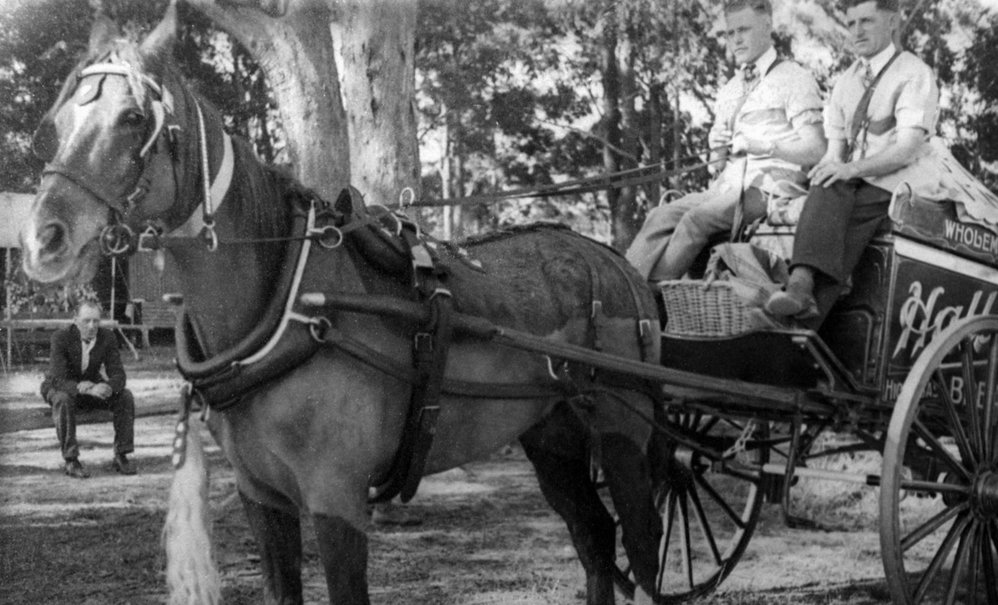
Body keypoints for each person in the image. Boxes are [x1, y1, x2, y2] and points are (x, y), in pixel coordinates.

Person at [626, 0, 825, 283]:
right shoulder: (730, 89)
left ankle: (649, 298)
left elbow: (817, 149)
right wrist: (717, 147)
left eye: (744, 29)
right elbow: (717, 166)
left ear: (767, 26)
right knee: (660, 215)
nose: (736, 40)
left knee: (697, 219)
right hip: (726, 188)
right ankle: (625, 293)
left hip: (771, 189)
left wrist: (767, 147)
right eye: (731, 33)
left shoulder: (795, 78)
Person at [765, 0, 939, 322]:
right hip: (855, 180)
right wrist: (823, 172)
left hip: (902, 180)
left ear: (892, 23)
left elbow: (907, 149)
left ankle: (801, 296)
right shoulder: (846, 81)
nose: (857, 31)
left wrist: (846, 169)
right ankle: (803, 304)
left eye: (867, 21)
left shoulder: (913, 73)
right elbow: (834, 154)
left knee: (845, 215)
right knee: (826, 183)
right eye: (852, 23)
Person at [41, 300, 137, 478]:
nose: (92, 326)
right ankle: (71, 460)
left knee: (125, 396)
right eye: (86, 321)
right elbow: (57, 378)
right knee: (63, 399)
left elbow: (119, 375)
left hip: (91, 385)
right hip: (61, 387)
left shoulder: (107, 337)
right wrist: (81, 388)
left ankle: (121, 454)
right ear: (75, 320)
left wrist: (107, 386)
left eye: (96, 321)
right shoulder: (60, 337)